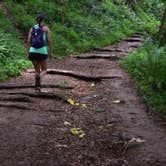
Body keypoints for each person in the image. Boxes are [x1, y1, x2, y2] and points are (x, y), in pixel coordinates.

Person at [27, 14, 53, 91]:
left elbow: (28, 41)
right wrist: (51, 52)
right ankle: (39, 78)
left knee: (37, 70)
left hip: (32, 51)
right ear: (43, 20)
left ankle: (37, 86)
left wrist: (28, 52)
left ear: (36, 20)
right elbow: (49, 41)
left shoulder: (32, 28)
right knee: (44, 70)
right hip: (42, 51)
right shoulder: (45, 28)